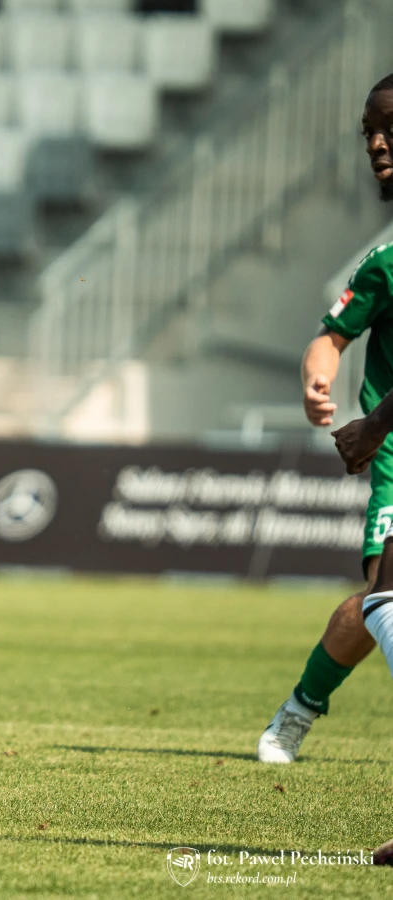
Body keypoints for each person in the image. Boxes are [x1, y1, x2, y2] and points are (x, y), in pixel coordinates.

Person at [256, 74, 393, 764]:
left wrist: (371, 426)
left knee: (383, 603)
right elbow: (331, 336)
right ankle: (299, 710)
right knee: (385, 600)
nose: (376, 144)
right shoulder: (386, 264)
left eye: (390, 129)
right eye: (368, 131)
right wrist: (318, 378)